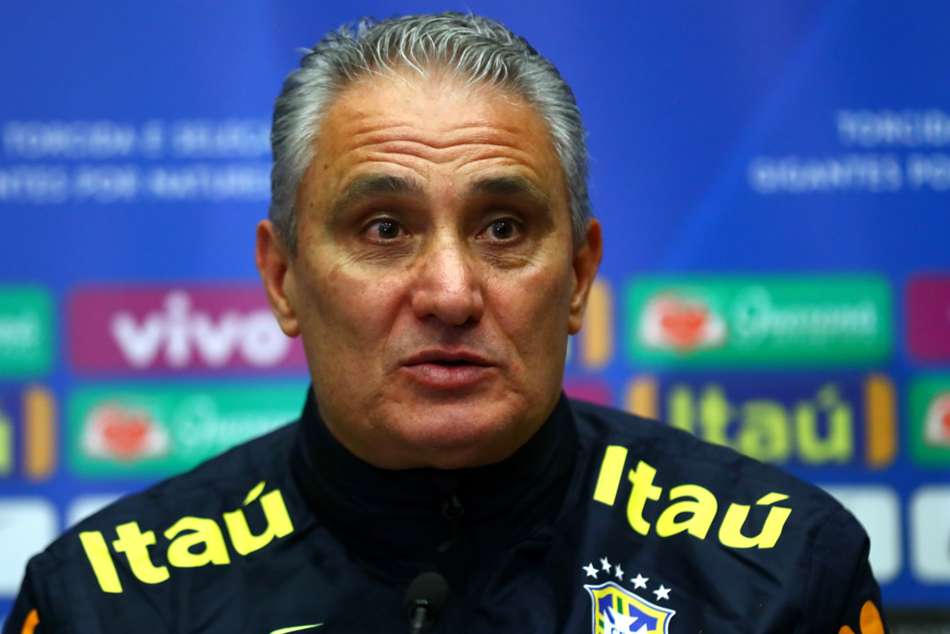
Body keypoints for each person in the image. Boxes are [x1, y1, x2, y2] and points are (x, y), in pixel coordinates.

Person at [6, 13, 887, 634]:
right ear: (283, 279)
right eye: (384, 230)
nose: (452, 293)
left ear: (579, 275)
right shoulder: (107, 602)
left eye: (503, 228)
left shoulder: (781, 574)